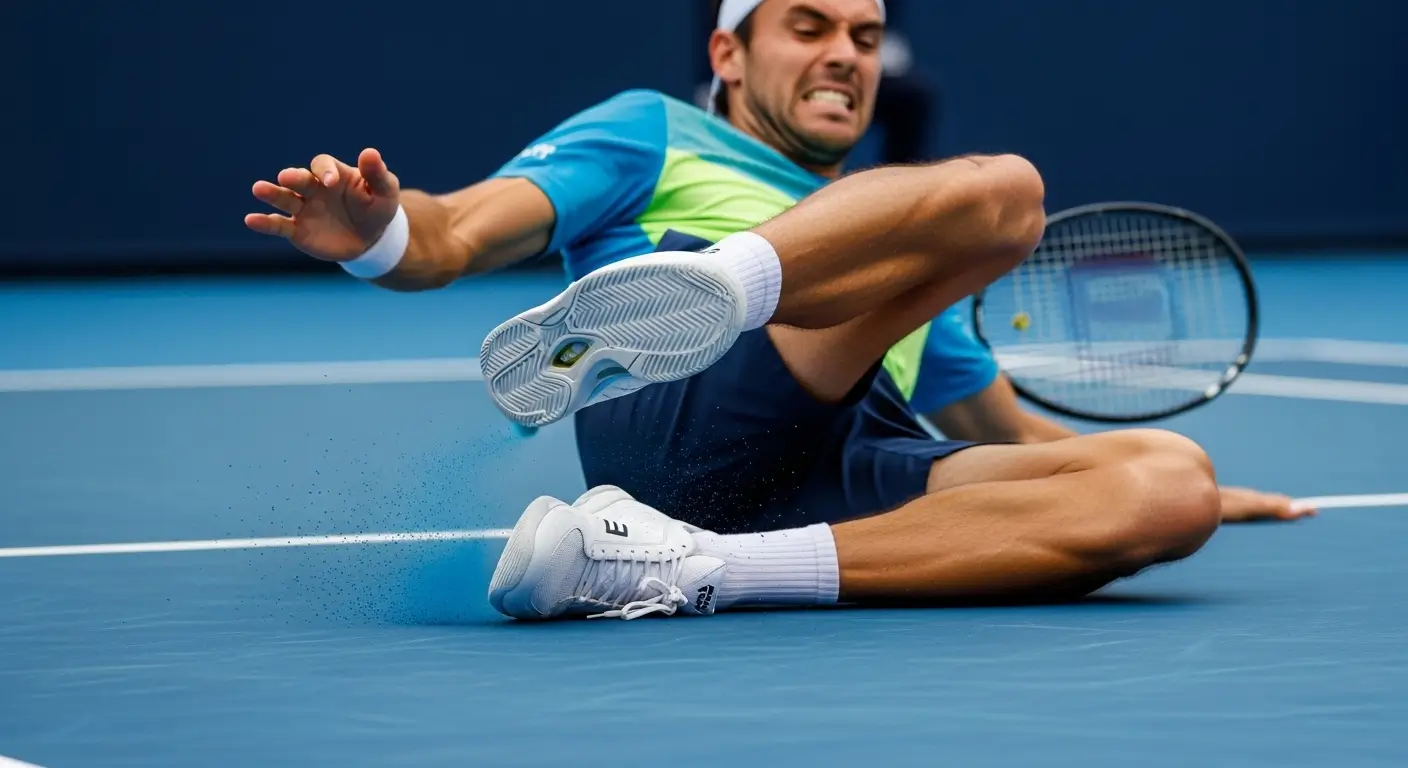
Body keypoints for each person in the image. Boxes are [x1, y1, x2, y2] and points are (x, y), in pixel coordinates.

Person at [245, 0, 1309, 622]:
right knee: (1005, 197)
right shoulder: (651, 132)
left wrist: (1213, 494)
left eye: (863, 33)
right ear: (727, 54)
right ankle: (713, 292)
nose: (845, 53)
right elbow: (457, 233)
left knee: (1168, 488)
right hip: (679, 414)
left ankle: (686, 567)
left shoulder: (901, 242)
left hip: (833, 472)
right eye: (806, 27)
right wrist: (379, 236)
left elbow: (1021, 441)